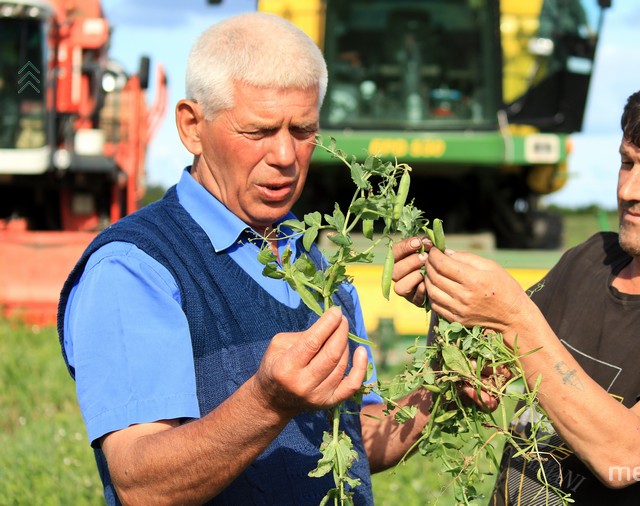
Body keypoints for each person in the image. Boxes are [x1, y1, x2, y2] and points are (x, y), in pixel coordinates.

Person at [57, 12, 494, 506]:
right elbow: (142, 483)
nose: (286, 155)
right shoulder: (138, 267)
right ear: (192, 126)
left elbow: (349, 438)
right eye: (259, 131)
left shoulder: (319, 266)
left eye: (303, 129)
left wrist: (441, 389)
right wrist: (267, 402)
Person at [392, 73, 640, 504]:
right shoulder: (593, 257)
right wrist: (449, 302)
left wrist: (514, 316)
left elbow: (628, 455)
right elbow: (497, 362)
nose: (629, 189)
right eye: (628, 162)